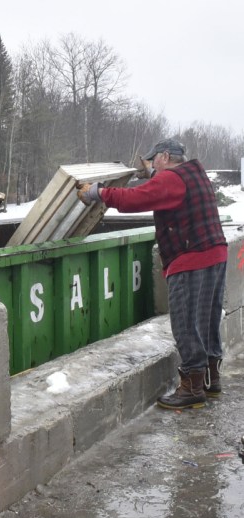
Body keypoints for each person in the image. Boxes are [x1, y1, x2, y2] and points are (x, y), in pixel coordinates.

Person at [77, 138, 227, 409]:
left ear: (166, 156)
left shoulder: (171, 178)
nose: (151, 165)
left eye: (153, 160)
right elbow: (161, 191)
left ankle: (192, 389)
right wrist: (150, 177)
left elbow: (136, 198)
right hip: (215, 254)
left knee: (185, 323)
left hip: (190, 257)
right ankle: (211, 379)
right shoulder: (194, 172)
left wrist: (97, 192)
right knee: (207, 319)